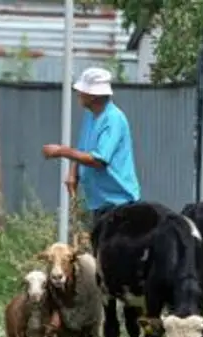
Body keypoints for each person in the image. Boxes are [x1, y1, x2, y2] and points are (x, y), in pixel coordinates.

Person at [41, 67, 141, 230]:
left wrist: (61, 151)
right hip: (98, 200)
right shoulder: (91, 115)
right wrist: (73, 173)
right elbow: (83, 147)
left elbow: (98, 160)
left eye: (82, 91)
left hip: (118, 203)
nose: (79, 94)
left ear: (93, 96)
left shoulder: (113, 119)